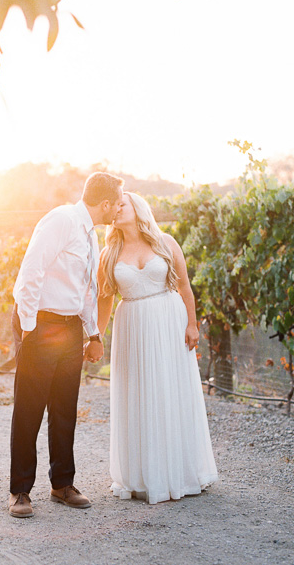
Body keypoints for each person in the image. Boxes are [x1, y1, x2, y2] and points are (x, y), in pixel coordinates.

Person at [9, 172, 124, 518]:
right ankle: (19, 491)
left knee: (64, 410)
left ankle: (62, 485)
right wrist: (28, 328)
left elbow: (86, 291)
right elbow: (30, 273)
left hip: (71, 330)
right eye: (118, 202)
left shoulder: (90, 234)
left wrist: (92, 334)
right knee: (29, 410)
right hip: (40, 325)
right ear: (105, 203)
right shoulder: (61, 220)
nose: (119, 208)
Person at [96, 192, 218, 504]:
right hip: (132, 325)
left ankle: (181, 472)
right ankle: (142, 476)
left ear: (138, 208)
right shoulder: (109, 252)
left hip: (168, 320)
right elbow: (105, 299)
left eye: (122, 203)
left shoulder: (165, 242)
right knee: (139, 394)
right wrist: (95, 336)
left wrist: (192, 324)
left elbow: (184, 286)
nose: (116, 208)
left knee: (170, 391)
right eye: (115, 205)